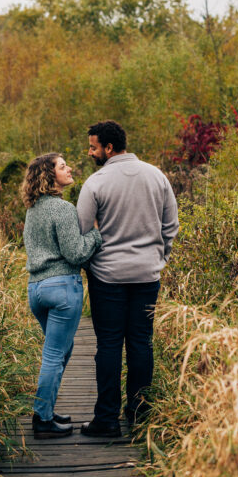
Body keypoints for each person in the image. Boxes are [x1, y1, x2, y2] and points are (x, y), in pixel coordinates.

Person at [76, 120, 179, 437]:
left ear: (108, 148)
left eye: (94, 147)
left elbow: (82, 232)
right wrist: (159, 258)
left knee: (108, 345)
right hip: (147, 275)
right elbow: (171, 225)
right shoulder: (156, 176)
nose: (91, 152)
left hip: (107, 277)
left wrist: (94, 264)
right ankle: (140, 414)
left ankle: (107, 420)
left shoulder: (96, 183)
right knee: (140, 343)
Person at [22, 152, 101, 439]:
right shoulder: (63, 208)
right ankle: (42, 420)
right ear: (49, 175)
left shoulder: (33, 210)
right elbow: (76, 252)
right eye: (63, 166)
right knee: (55, 356)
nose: (69, 169)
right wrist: (95, 234)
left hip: (36, 289)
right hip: (62, 289)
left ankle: (47, 409)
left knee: (60, 352)